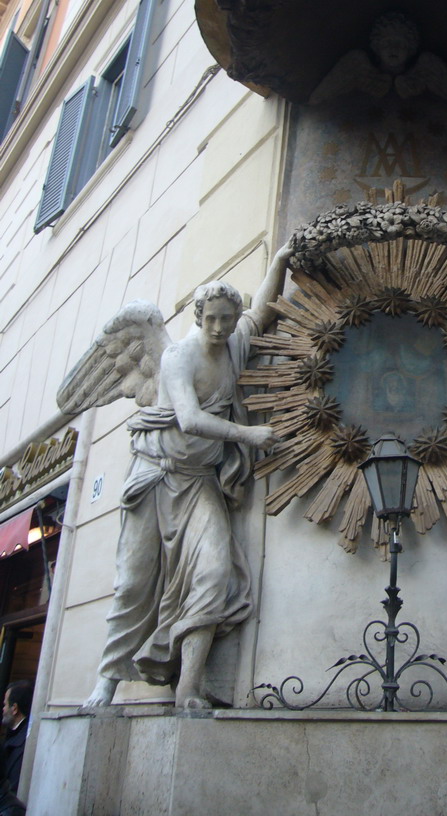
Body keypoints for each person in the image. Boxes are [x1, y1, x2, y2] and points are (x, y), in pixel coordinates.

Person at [85, 244, 292, 710]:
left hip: (199, 481)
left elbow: (261, 311)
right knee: (135, 583)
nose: (219, 328)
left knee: (216, 571)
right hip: (155, 478)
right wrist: (249, 433)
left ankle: (189, 686)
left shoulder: (235, 341)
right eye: (211, 319)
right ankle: (107, 679)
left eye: (226, 318)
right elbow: (191, 419)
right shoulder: (179, 356)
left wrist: (279, 261)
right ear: (198, 316)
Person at [1, 682, 32, 795]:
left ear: (14, 708)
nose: (3, 709)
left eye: (5, 705)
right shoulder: (18, 737)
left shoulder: (23, 744)